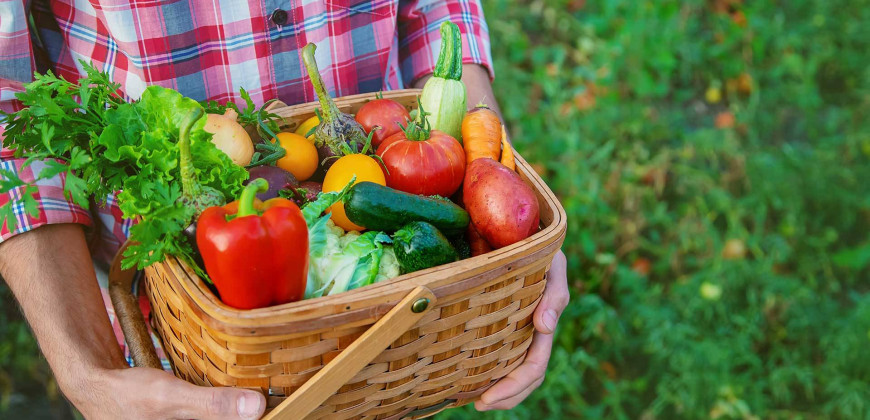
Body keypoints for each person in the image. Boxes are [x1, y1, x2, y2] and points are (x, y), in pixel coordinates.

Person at [0, 1, 570, 419]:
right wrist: (88, 375)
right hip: (173, 345)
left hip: (403, 340)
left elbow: (441, 10)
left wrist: (510, 236)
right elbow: (8, 114)